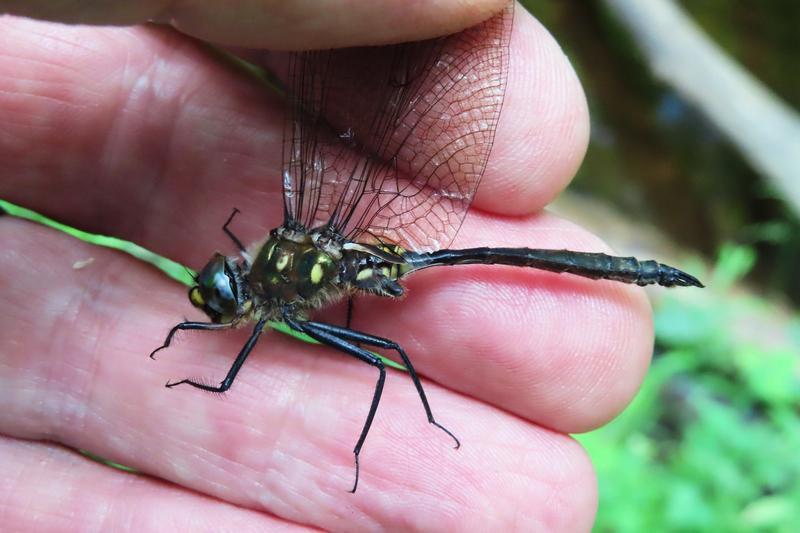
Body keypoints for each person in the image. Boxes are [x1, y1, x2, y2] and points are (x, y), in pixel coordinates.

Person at [0, 1, 655, 530]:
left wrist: (194, 344)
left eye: (219, 300)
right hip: (350, 259)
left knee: (383, 352)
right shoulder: (281, 252)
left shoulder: (267, 299)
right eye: (217, 299)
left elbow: (229, 374)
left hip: (378, 259)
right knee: (382, 349)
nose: (217, 305)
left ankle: (417, 426)